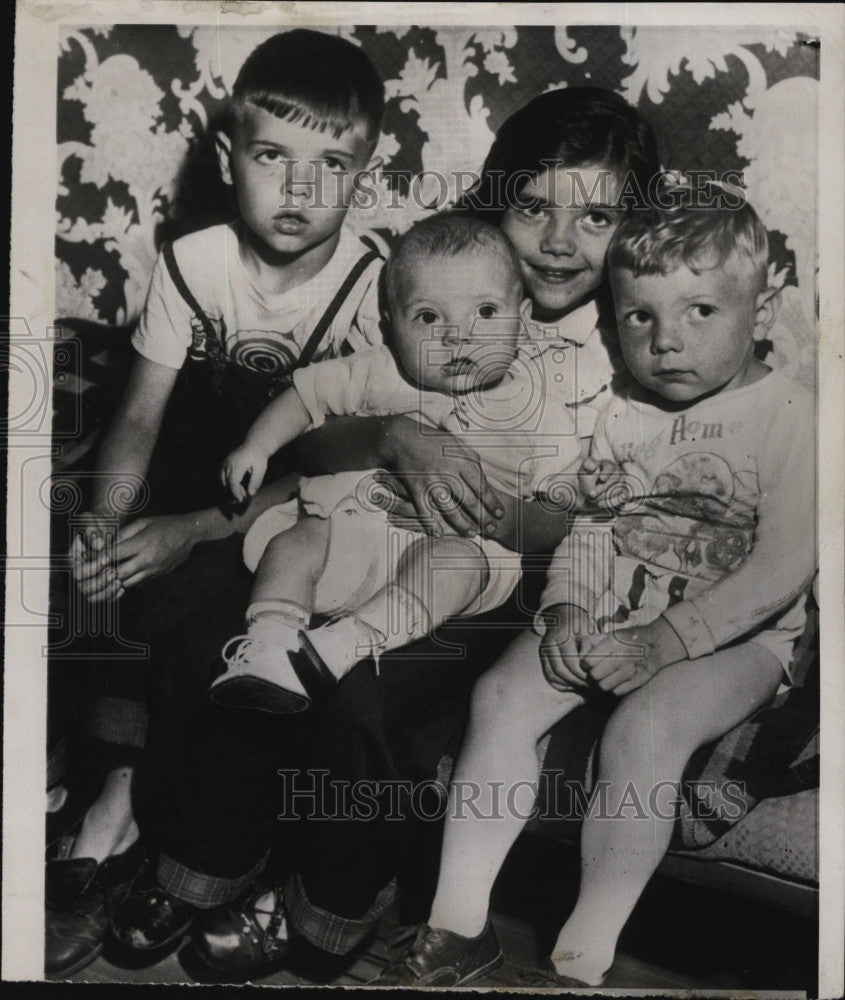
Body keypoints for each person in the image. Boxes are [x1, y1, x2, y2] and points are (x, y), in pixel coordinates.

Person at [111, 87, 662, 976]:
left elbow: (579, 524)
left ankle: (323, 911)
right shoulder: (435, 274)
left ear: (629, 227)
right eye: (532, 209)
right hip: (358, 519)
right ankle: (201, 867)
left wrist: (472, 496)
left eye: (595, 217)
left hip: (482, 573)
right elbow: (326, 421)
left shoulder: (623, 344)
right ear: (497, 203)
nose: (559, 243)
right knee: (228, 639)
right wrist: (399, 440)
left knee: (368, 697)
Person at [374, 190, 816, 987]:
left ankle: (581, 956)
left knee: (645, 727)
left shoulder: (794, 417)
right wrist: (568, 609)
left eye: (699, 311)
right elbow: (589, 525)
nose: (664, 342)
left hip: (739, 636)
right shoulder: (620, 407)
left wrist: (662, 644)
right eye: (637, 317)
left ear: (762, 308)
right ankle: (457, 925)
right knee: (504, 695)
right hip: (616, 609)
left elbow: (781, 569)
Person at [46, 28, 386, 978]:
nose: (300, 190)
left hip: (296, 505)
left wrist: (188, 530)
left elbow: (333, 476)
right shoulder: (195, 258)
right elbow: (140, 414)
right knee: (79, 548)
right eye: (274, 156)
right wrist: (107, 523)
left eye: (332, 164)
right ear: (230, 153)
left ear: (365, 171)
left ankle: (163, 831)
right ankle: (105, 792)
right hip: (195, 464)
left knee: (209, 608)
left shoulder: (369, 289)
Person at [210, 214, 581, 714]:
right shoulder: (382, 370)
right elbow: (305, 395)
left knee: (452, 565)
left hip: (449, 557)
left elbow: (559, 517)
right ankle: (269, 646)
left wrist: (498, 515)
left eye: (486, 311)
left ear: (523, 316)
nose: (456, 337)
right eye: (429, 318)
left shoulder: (543, 417)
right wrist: (257, 446)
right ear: (390, 324)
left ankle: (345, 646)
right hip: (347, 537)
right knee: (294, 541)